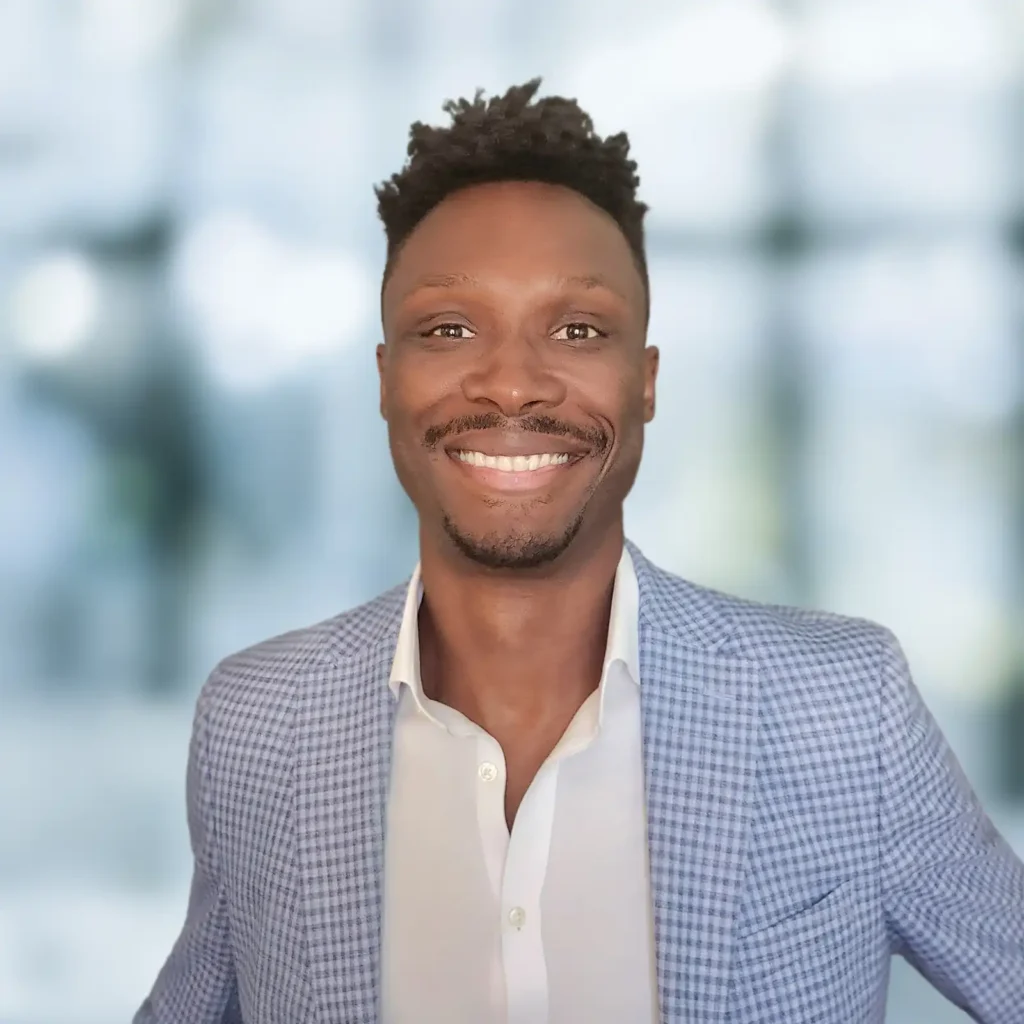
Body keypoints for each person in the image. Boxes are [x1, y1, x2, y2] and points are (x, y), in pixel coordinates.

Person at [134, 79, 1024, 1024]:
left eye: (578, 330)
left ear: (645, 382)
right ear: (386, 378)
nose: (514, 384)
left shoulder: (844, 712)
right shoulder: (257, 727)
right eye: (449, 329)